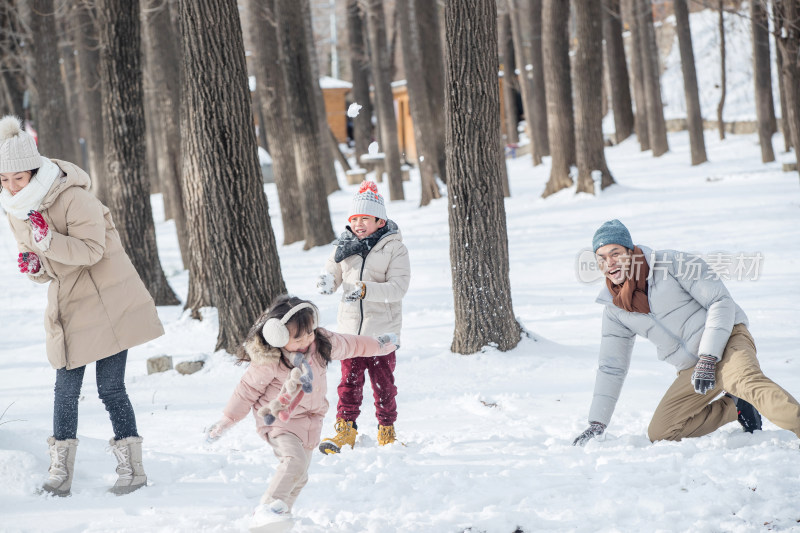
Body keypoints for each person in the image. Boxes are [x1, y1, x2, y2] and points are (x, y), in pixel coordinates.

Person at [0, 115, 164, 495]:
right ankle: (61, 473)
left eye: (17, 178)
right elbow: (38, 258)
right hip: (68, 304)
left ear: (33, 170)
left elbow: (92, 251)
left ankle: (133, 469)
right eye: (3, 179)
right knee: (65, 390)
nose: (10, 186)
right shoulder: (15, 209)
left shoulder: (74, 196)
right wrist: (34, 265)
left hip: (109, 301)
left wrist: (47, 241)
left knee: (110, 389)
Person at [573, 219, 800, 446]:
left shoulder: (672, 264)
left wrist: (709, 356)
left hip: (728, 339)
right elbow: (612, 366)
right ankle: (735, 405)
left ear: (630, 252)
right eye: (601, 258)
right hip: (692, 369)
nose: (610, 263)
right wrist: (597, 423)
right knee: (661, 432)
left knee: (747, 383)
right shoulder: (615, 308)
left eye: (615, 254)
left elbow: (720, 301)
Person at [204, 295, 398, 528]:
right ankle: (266, 510)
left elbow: (351, 344)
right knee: (293, 462)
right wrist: (227, 420)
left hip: (311, 422)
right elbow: (246, 390)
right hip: (278, 421)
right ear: (279, 336)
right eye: (297, 337)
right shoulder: (269, 360)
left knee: (300, 476)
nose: (306, 339)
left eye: (309, 332)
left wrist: (379, 345)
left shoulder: (321, 343)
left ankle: (278, 518)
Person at [315, 180, 410, 454]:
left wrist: (366, 290)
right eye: (354, 218)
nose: (358, 223)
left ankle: (387, 431)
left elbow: (398, 288)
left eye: (364, 218)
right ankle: (345, 430)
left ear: (380, 221)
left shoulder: (395, 249)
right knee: (349, 383)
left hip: (381, 333)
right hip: (350, 333)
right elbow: (332, 274)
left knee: (384, 386)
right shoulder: (342, 247)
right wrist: (325, 282)